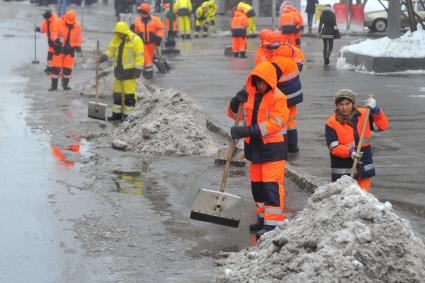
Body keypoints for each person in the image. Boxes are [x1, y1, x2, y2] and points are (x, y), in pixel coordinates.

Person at [227, 61, 289, 238]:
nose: (261, 85)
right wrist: (235, 102)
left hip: (273, 150)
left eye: (264, 82)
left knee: (271, 186)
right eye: (258, 81)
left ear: (270, 81)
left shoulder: (279, 97)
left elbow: (275, 124)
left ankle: (272, 225)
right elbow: (233, 114)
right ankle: (262, 219)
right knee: (258, 186)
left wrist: (246, 131)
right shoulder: (249, 95)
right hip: (254, 149)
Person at [325, 90, 389, 192]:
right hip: (343, 167)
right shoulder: (331, 122)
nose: (344, 108)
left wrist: (376, 111)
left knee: (363, 195)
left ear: (353, 104)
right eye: (341, 104)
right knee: (343, 197)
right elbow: (333, 147)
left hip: (363, 164)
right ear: (336, 105)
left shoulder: (364, 114)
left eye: (347, 104)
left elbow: (381, 126)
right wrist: (349, 152)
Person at [259, 32, 303, 153]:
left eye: (270, 48)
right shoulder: (287, 54)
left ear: (276, 47)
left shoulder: (278, 61)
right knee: (291, 120)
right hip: (295, 93)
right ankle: (293, 145)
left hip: (286, 95)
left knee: (281, 120)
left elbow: (270, 78)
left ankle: (284, 145)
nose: (269, 50)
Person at [98, 22, 144, 122]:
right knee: (117, 94)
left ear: (125, 32)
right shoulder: (116, 39)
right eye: (117, 33)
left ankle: (128, 116)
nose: (118, 35)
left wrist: (137, 71)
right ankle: (117, 114)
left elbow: (139, 57)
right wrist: (103, 57)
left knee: (129, 95)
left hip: (129, 73)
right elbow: (111, 51)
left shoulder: (135, 40)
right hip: (119, 72)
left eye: (120, 33)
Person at [50, 10, 82, 91]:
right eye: (68, 22)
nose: (70, 24)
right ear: (65, 18)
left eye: (71, 23)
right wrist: (56, 39)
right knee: (55, 68)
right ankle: (54, 86)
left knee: (67, 69)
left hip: (70, 49)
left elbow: (78, 38)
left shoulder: (77, 26)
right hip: (58, 48)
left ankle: (65, 86)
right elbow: (53, 33)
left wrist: (78, 47)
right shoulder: (58, 23)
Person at [133, 3, 164, 79]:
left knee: (149, 59)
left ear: (145, 12)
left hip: (152, 44)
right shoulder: (137, 21)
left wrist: (159, 37)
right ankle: (148, 75)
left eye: (141, 12)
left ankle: (146, 73)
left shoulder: (155, 20)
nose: (140, 13)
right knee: (147, 60)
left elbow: (161, 28)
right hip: (142, 44)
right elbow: (134, 31)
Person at [35, 10, 59, 77]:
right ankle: (49, 69)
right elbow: (43, 29)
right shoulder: (46, 21)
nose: (44, 19)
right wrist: (39, 29)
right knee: (49, 57)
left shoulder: (55, 22)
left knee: (56, 57)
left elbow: (55, 33)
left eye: (45, 18)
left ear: (48, 17)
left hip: (56, 43)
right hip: (51, 43)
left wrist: (54, 41)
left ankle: (56, 69)